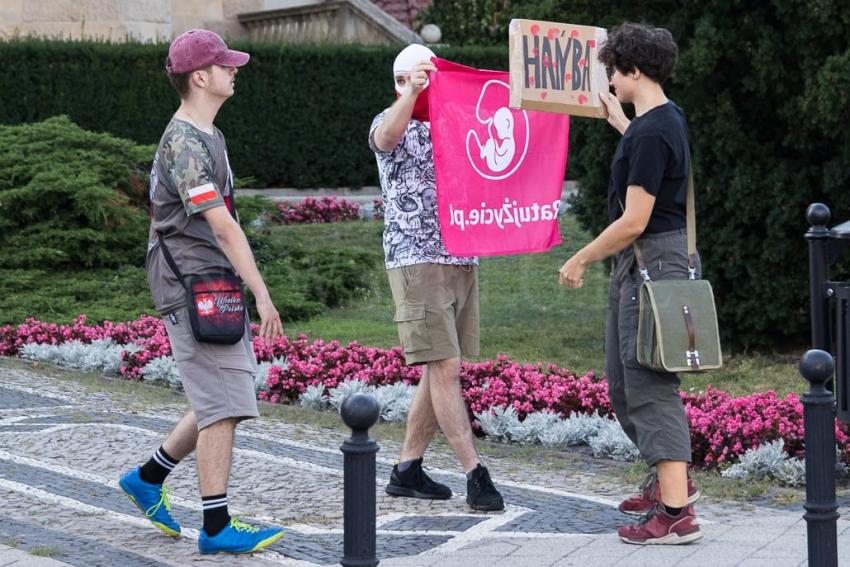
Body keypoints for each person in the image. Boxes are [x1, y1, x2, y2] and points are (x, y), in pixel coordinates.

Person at [118, 29, 286, 555]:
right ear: (199, 77)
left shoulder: (208, 135)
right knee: (223, 401)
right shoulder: (186, 143)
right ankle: (216, 528)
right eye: (225, 65)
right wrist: (262, 292)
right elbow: (222, 226)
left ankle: (148, 477)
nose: (234, 70)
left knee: (223, 392)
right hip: (190, 284)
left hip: (208, 281)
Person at [559, 23, 702, 544]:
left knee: (647, 383)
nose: (611, 81)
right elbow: (653, 165)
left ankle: (676, 513)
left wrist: (578, 258)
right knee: (622, 380)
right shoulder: (662, 121)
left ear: (634, 70)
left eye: (615, 72)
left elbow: (635, 219)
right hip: (644, 264)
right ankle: (670, 480)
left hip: (650, 261)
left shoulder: (653, 130)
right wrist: (620, 122)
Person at [369, 43, 504, 512]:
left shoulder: (452, 122)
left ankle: (407, 469)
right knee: (445, 366)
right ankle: (475, 473)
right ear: (399, 81)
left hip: (463, 256)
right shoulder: (390, 121)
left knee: (441, 364)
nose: (428, 85)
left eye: (432, 76)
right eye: (415, 77)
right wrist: (411, 93)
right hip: (416, 259)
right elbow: (386, 137)